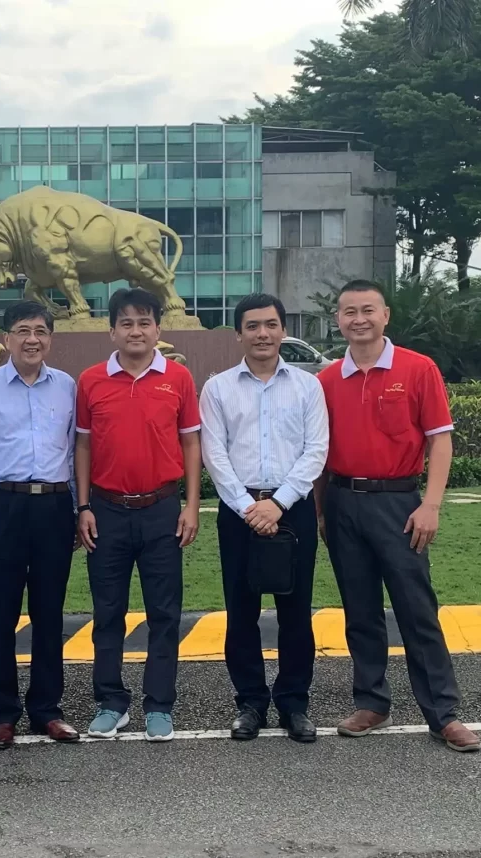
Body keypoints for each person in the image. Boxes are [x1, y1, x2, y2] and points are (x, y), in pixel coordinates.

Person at [315, 279, 481, 753]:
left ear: (385, 315)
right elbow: (318, 454)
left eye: (368, 310)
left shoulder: (417, 368)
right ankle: (372, 702)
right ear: (338, 320)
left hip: (399, 504)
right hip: (343, 502)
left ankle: (443, 713)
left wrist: (431, 504)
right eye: (349, 312)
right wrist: (322, 511)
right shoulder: (326, 381)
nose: (359, 319)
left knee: (416, 609)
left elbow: (440, 439)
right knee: (359, 609)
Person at [199, 294, 328, 744]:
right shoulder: (218, 389)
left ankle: (294, 703)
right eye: (252, 326)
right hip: (240, 512)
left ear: (283, 330)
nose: (262, 334)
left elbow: (316, 450)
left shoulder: (308, 387)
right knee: (241, 612)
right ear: (238, 334)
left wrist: (279, 503)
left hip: (293, 511)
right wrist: (249, 507)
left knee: (296, 612)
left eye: (271, 325)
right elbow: (214, 455)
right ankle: (250, 702)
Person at [75, 287, 202, 743]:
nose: (135, 330)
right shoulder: (91, 380)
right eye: (126, 322)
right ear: (112, 331)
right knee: (108, 612)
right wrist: (83, 506)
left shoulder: (178, 379)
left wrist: (191, 505)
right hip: (106, 511)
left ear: (157, 329)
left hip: (161, 510)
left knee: (164, 613)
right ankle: (111, 702)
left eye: (144, 322)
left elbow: (191, 442)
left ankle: (159, 706)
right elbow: (83, 445)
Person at [0, 301, 80, 750]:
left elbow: (73, 453)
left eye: (41, 331)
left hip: (53, 507)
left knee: (49, 614)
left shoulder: (66, 386)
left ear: (50, 338)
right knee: (2, 614)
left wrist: (76, 511)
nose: (32, 339)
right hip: (1, 507)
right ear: (7, 338)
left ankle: (47, 709)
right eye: (23, 330)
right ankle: (2, 713)